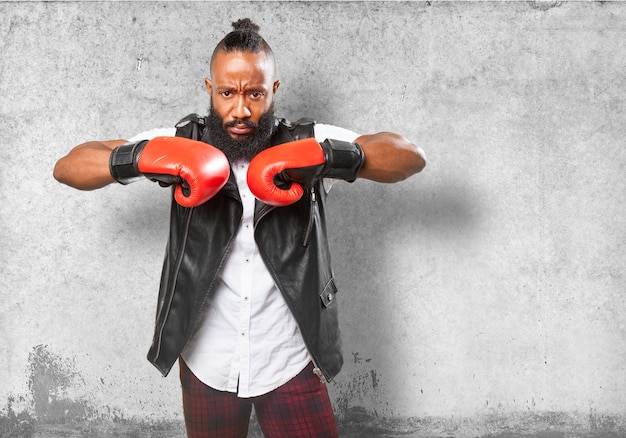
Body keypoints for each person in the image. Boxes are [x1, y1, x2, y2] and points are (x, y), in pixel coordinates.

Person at [53, 18, 425, 438]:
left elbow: (410, 156)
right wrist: (138, 159)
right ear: (210, 89)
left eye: (255, 93)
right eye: (228, 93)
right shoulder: (182, 143)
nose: (241, 110)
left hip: (288, 357)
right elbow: (67, 167)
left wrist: (328, 157)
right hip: (208, 360)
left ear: (275, 91)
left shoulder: (305, 142)